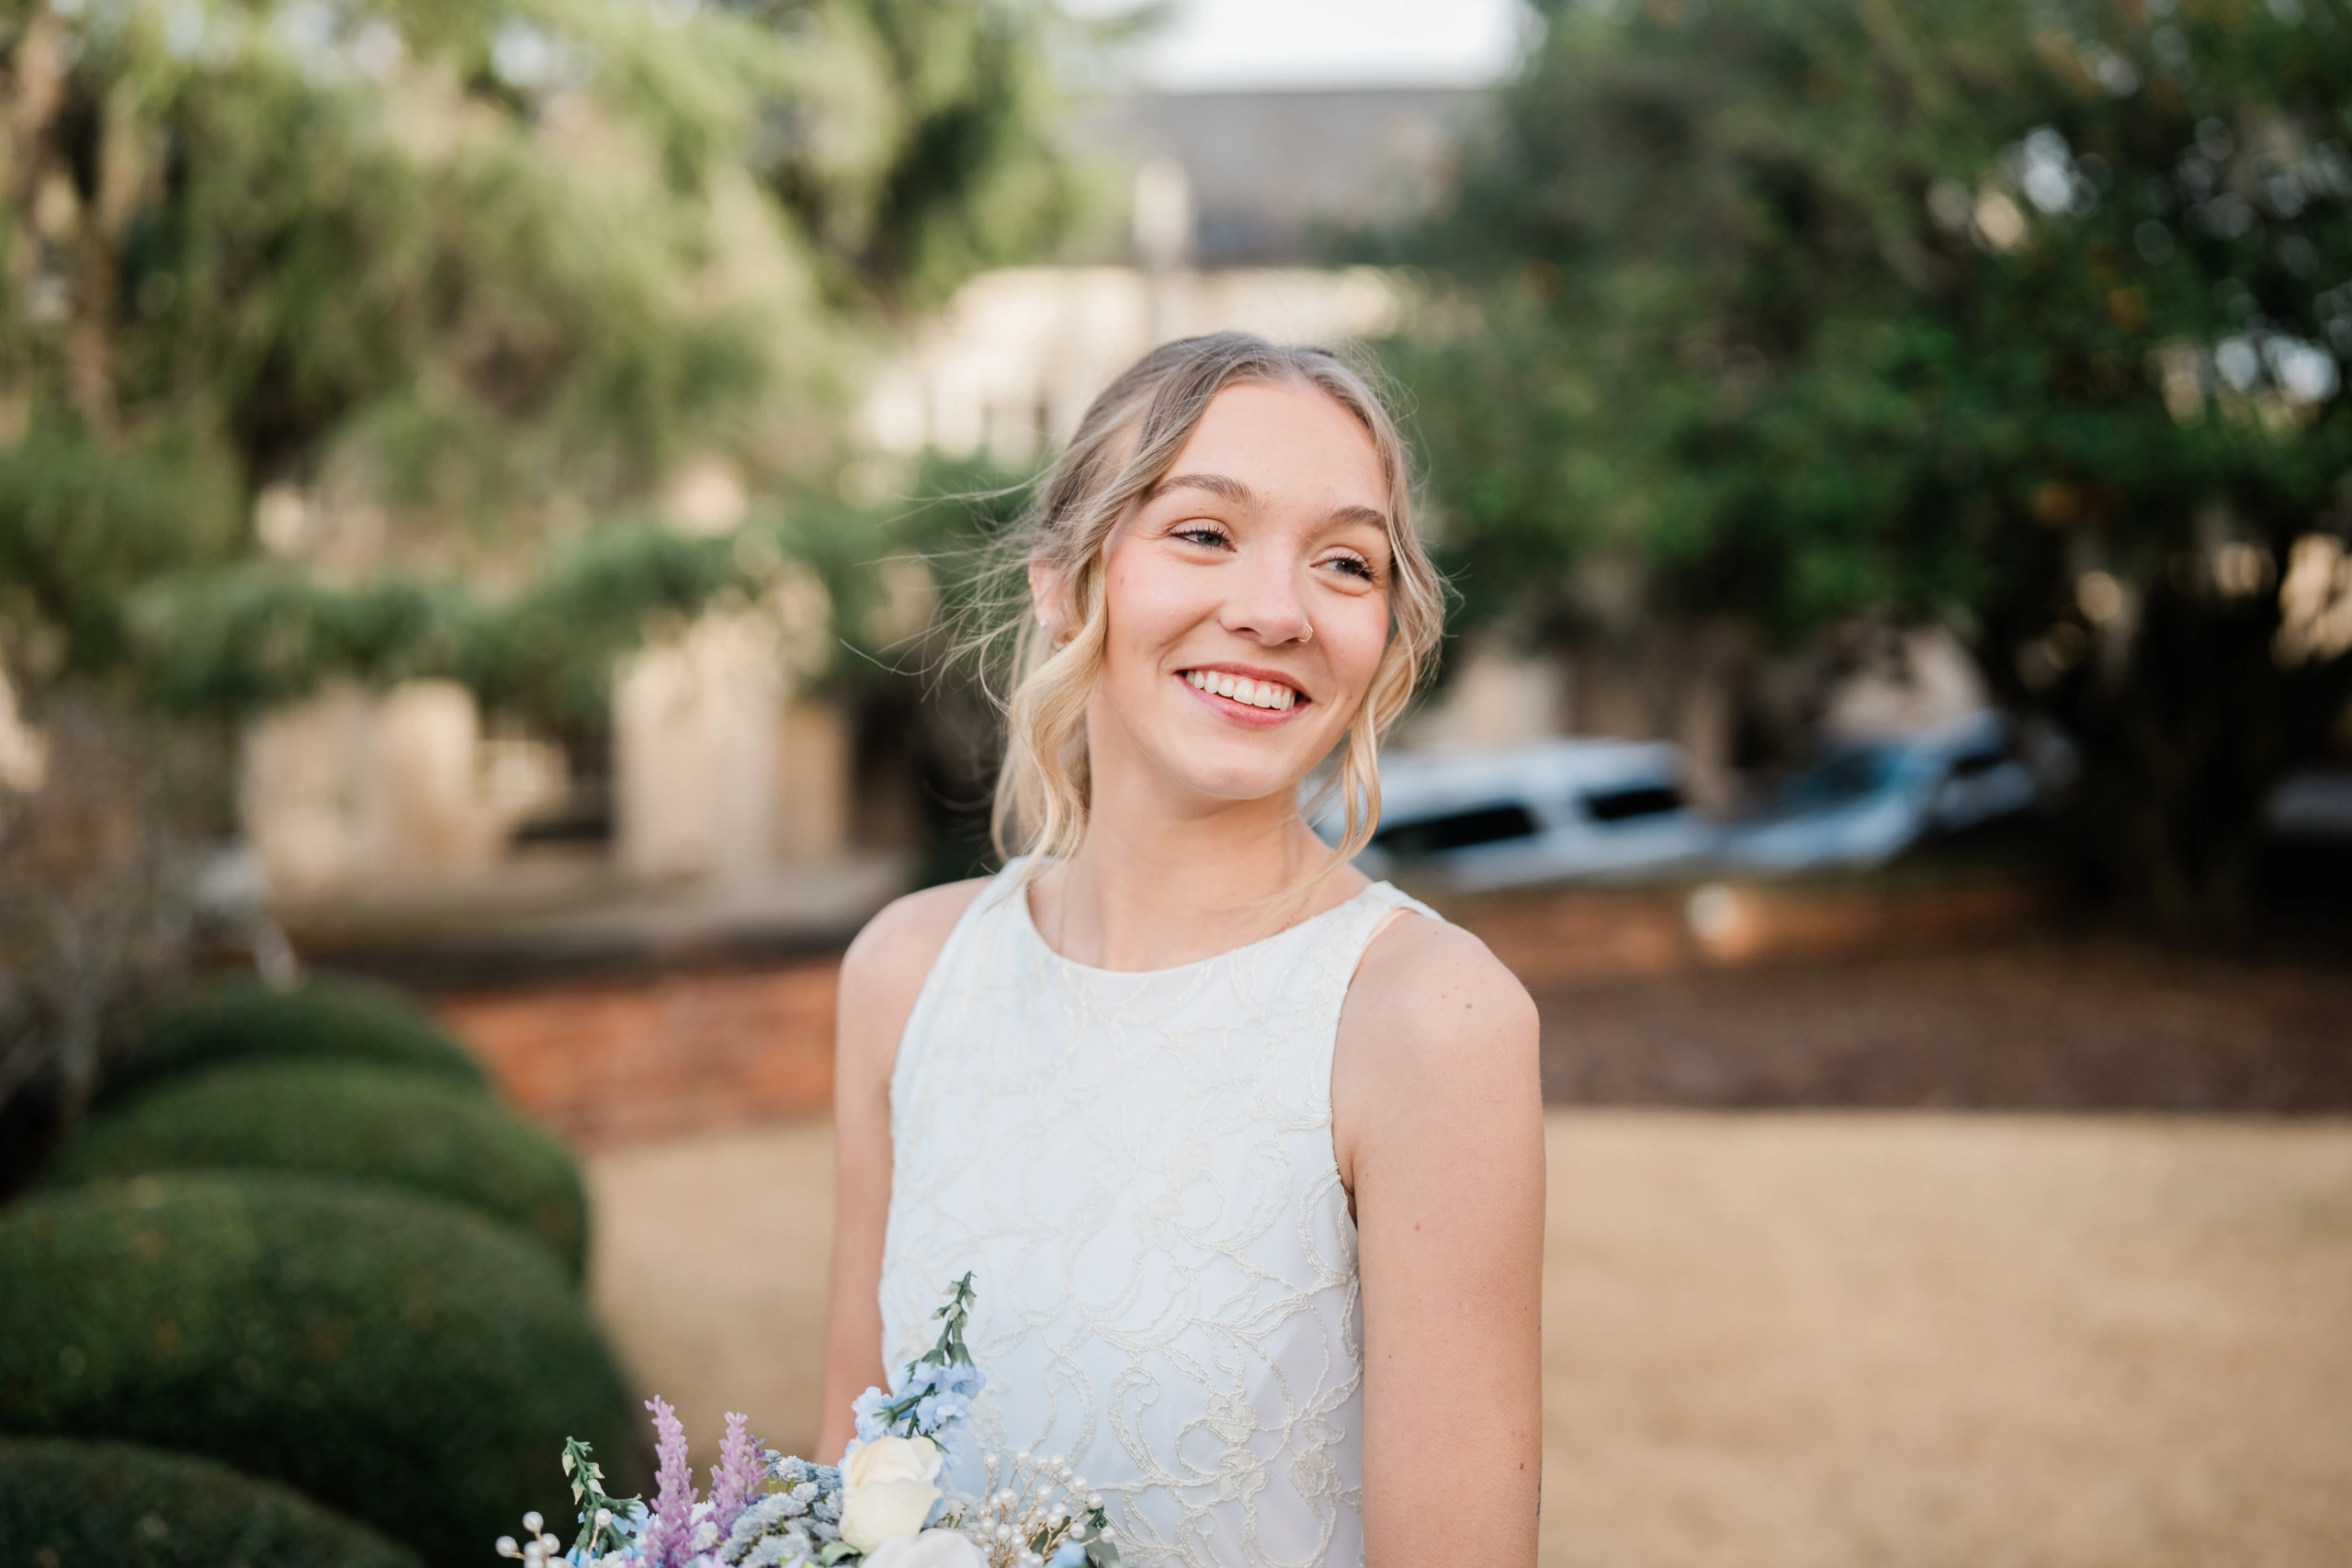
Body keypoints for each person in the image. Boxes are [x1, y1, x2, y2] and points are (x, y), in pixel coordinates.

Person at [820, 333, 1544, 1567]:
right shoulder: (906, 973)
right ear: (1064, 577)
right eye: (1204, 533)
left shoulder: (1427, 1019)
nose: (1276, 611)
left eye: (1344, 562)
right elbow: (850, 1488)